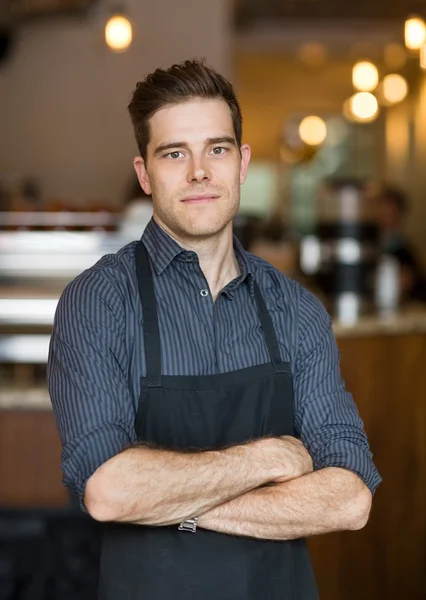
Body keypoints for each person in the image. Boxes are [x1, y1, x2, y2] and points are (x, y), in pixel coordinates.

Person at [47, 60, 381, 600]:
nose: (199, 171)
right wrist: (269, 458)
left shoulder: (297, 309)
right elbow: (109, 493)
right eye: (175, 153)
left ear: (242, 163)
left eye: (217, 149)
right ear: (144, 173)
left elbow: (349, 499)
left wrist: (168, 503)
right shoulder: (98, 303)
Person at [377, 186, 426, 302]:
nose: (385, 220)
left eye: (390, 215)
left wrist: (410, 282)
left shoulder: (406, 253)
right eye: (382, 214)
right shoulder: (368, 248)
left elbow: (420, 289)